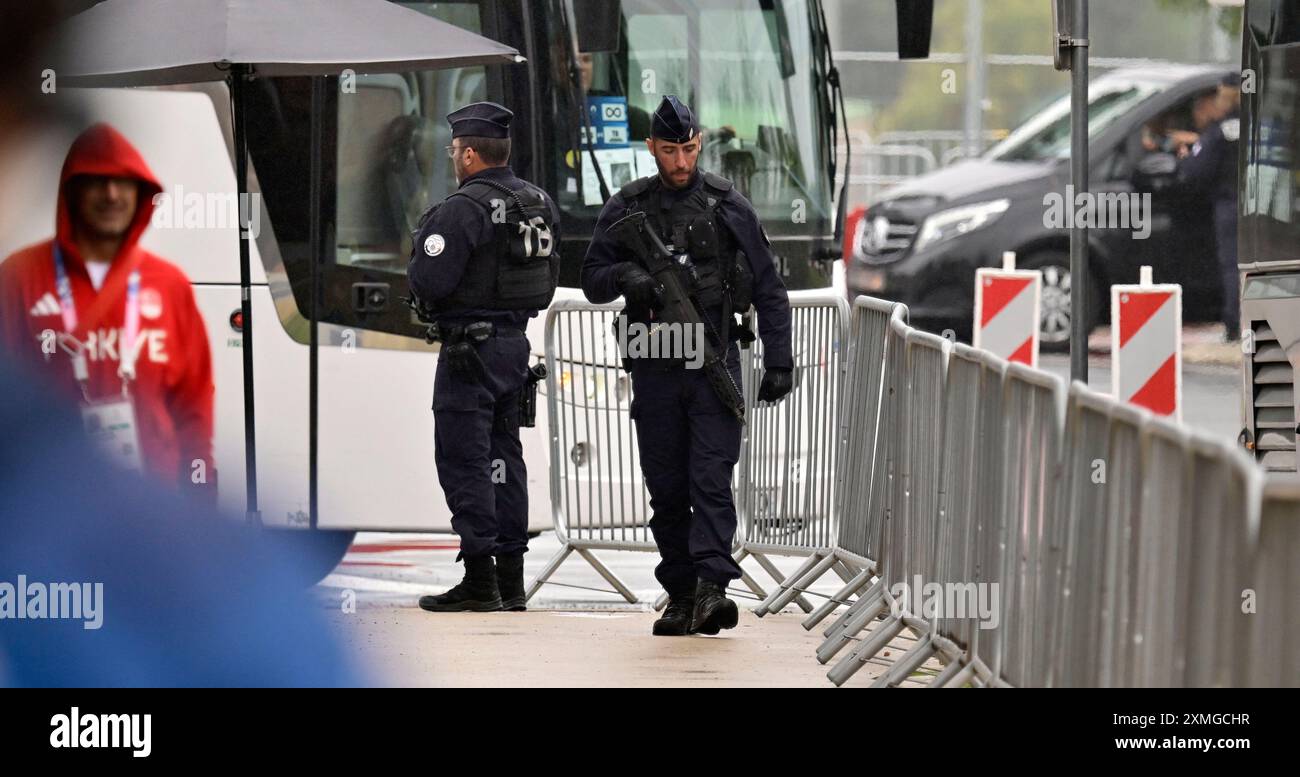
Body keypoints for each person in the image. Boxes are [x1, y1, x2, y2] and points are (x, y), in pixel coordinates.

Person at [581, 95, 794, 637]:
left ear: (701, 145)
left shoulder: (728, 205)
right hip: (654, 368)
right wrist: (628, 279)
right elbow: (591, 277)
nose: (681, 163)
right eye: (671, 151)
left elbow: (769, 287)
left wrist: (779, 360)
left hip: (712, 363)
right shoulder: (627, 207)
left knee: (711, 480)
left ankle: (712, 588)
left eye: (690, 150)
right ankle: (680, 593)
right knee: (668, 488)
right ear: (651, 148)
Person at [0, 122, 216, 499]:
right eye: (97, 181)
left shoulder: (169, 284)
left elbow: (194, 404)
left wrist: (200, 494)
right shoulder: (19, 276)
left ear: (141, 192)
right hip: (50, 506)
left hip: (151, 505)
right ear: (71, 191)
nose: (111, 194)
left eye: (124, 182)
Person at [408, 102, 560, 613]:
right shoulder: (537, 202)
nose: (454, 158)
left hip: (468, 354)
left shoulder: (462, 208)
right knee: (504, 458)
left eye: (455, 150)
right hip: (514, 347)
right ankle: (511, 582)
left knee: (465, 460)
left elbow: (429, 281)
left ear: (470, 153)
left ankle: (479, 579)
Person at [1177, 73, 1241, 341]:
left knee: (1232, 267)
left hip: (1229, 206)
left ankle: (1234, 325)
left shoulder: (1220, 130)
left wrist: (1185, 156)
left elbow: (1195, 172)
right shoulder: (1259, 121)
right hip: (1261, 204)